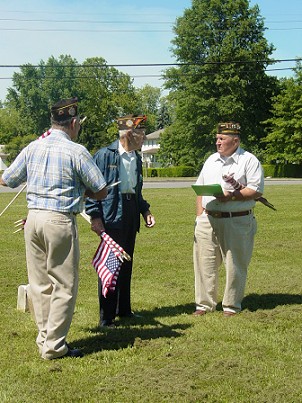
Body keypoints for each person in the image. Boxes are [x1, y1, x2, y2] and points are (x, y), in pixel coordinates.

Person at [0, 97, 108, 359]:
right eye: (78, 124)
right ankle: (55, 346)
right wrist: (83, 192)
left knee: (40, 285)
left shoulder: (33, 147)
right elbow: (101, 190)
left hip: (33, 218)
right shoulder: (76, 151)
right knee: (64, 285)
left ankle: (45, 338)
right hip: (59, 220)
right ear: (73, 123)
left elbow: (7, 180)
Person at [85, 114, 155, 328]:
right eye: (141, 133)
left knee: (126, 264)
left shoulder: (136, 158)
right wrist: (95, 216)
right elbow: (91, 189)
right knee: (111, 265)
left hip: (130, 214)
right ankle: (106, 318)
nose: (144, 137)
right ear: (128, 134)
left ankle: (124, 310)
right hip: (110, 215)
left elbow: (136, 191)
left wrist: (145, 211)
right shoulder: (104, 156)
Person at [193, 122, 264, 317]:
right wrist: (199, 216)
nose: (217, 142)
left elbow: (256, 190)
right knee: (204, 263)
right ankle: (204, 305)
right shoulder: (211, 160)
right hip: (208, 219)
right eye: (217, 138)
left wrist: (231, 196)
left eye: (222, 139)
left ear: (235, 140)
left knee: (235, 264)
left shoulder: (248, 160)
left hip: (237, 220)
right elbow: (199, 189)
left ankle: (231, 306)